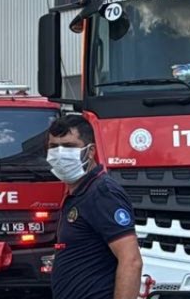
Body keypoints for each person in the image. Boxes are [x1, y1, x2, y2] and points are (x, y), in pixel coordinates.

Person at [46, 115, 143, 299]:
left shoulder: (102, 193)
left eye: (68, 146)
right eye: (53, 147)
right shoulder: (79, 193)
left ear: (90, 151)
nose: (59, 154)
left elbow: (131, 260)